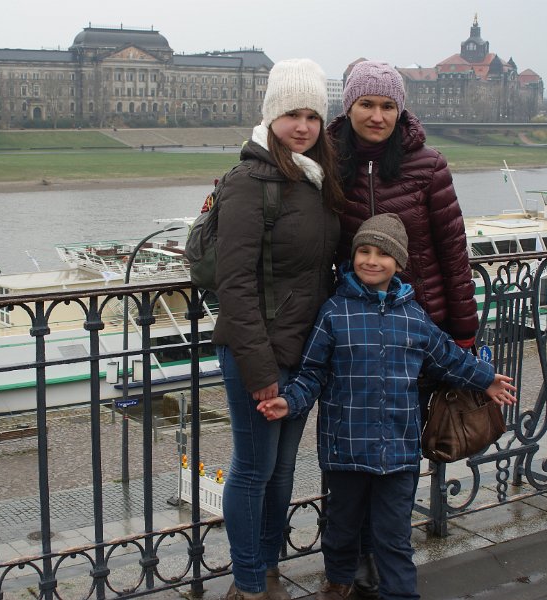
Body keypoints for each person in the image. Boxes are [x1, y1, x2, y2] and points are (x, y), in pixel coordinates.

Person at [257, 214, 516, 600]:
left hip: (399, 450)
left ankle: (400, 594)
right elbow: (312, 374)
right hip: (345, 448)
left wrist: (485, 378)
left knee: (394, 536)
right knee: (341, 527)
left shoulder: (413, 317)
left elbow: (448, 358)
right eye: (364, 251)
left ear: (398, 262)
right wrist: (289, 401)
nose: (371, 260)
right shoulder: (334, 313)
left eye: (382, 254)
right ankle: (339, 581)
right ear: (353, 257)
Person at [327, 60, 480, 596]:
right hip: (352, 336)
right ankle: (354, 564)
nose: (377, 115)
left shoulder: (428, 166)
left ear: (400, 111)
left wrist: (463, 332)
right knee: (350, 454)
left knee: (397, 456)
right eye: (367, 104)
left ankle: (386, 561)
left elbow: (453, 253)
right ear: (349, 107)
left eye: (388, 105)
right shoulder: (329, 162)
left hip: (419, 334)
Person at [212, 58, 345, 600]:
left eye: (313, 116)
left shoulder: (315, 177)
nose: (303, 126)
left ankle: (268, 571)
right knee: (253, 468)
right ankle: (247, 584)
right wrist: (261, 371)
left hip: (303, 351)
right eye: (292, 114)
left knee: (283, 469)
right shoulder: (249, 181)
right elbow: (234, 283)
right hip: (259, 353)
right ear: (271, 116)